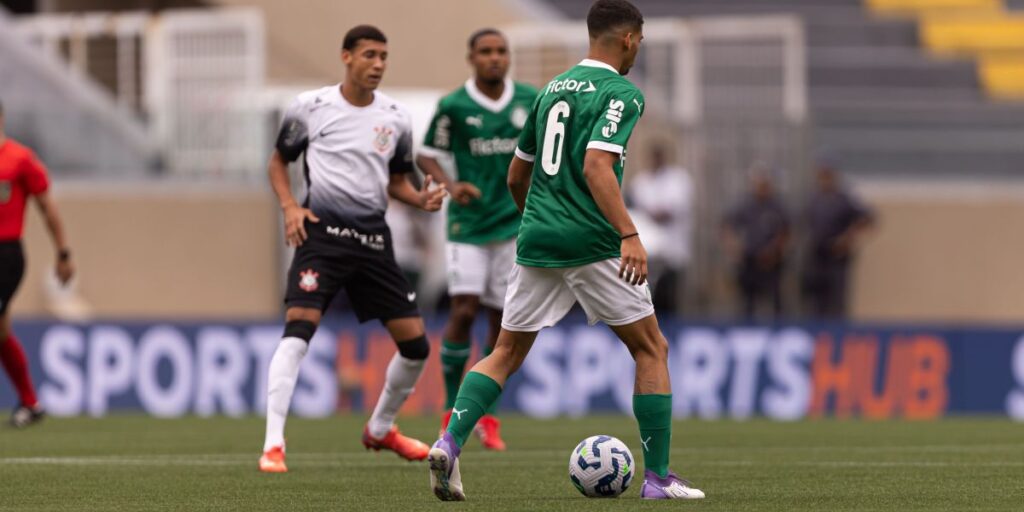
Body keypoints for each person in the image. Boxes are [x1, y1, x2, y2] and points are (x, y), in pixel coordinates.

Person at [427, 0, 705, 501]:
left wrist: (539, 219)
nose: (638, 50)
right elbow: (598, 167)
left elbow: (518, 175)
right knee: (650, 348)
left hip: (536, 240)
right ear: (626, 39)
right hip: (594, 240)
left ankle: (449, 440)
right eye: (639, 41)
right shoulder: (621, 93)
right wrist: (629, 234)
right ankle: (658, 478)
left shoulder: (551, 89)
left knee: (504, 353)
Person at [258, 25, 448, 473]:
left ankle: (380, 429)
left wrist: (420, 199)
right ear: (346, 57)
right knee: (298, 330)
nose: (378, 64)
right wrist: (289, 207)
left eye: (383, 56)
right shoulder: (310, 107)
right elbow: (277, 162)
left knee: (417, 346)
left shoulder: (396, 117)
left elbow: (396, 181)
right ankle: (273, 444)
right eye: (369, 55)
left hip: (372, 242)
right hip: (320, 237)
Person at [416, 28, 538, 451]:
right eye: (485, 52)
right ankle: (452, 408)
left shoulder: (529, 100)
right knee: (463, 309)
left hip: (513, 225)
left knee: (502, 322)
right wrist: (451, 183)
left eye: (501, 51)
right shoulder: (454, 105)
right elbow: (426, 152)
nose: (494, 58)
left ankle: (487, 417)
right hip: (467, 225)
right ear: (471, 57)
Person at [0, 99, 74, 428]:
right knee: (1, 333)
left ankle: (31, 403)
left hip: (5, 256)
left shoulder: (19, 159)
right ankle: (31, 403)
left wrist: (63, 253)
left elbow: (47, 208)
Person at [802, 159, 875, 319]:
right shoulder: (813, 198)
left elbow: (867, 218)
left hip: (837, 257)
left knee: (837, 302)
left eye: (827, 173)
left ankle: (836, 335)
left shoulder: (844, 198)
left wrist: (847, 237)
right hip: (816, 256)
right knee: (816, 302)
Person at [627, 144, 693, 313]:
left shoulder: (678, 179)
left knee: (669, 300)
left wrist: (650, 212)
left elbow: (671, 210)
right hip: (646, 253)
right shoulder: (640, 181)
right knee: (644, 302)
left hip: (672, 251)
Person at [722, 167, 790, 321]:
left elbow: (787, 232)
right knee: (747, 302)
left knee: (775, 301)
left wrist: (774, 251)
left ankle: (777, 329)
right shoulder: (745, 205)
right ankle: (747, 329)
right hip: (749, 262)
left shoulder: (776, 206)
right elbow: (727, 226)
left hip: (772, 263)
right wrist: (734, 248)